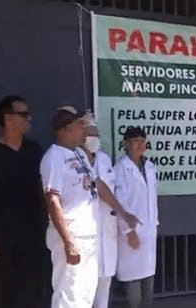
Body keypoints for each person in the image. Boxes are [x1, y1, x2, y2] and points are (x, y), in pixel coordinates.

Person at [41, 106, 139, 308]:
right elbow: (52, 200)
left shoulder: (78, 156)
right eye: (79, 126)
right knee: (70, 297)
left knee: (86, 296)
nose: (84, 131)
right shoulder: (54, 158)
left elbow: (100, 186)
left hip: (90, 238)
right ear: (66, 129)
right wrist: (68, 241)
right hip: (73, 237)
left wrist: (124, 213)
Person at [0, 95, 48, 308]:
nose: (29, 118)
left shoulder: (34, 150)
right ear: (8, 118)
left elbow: (43, 189)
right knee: (0, 286)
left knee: (31, 285)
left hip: (32, 232)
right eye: (23, 114)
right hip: (3, 233)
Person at [114, 127, 160, 308]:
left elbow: (153, 198)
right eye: (135, 140)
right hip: (131, 231)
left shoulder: (149, 166)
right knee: (133, 283)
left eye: (143, 140)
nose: (140, 144)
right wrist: (129, 231)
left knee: (148, 281)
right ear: (126, 144)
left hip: (148, 229)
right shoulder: (120, 169)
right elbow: (120, 202)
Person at [81, 115, 118, 308]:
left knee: (105, 283)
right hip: (86, 231)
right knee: (85, 287)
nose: (93, 138)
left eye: (96, 134)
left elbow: (111, 190)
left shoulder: (104, 159)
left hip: (107, 230)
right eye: (89, 134)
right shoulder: (74, 159)